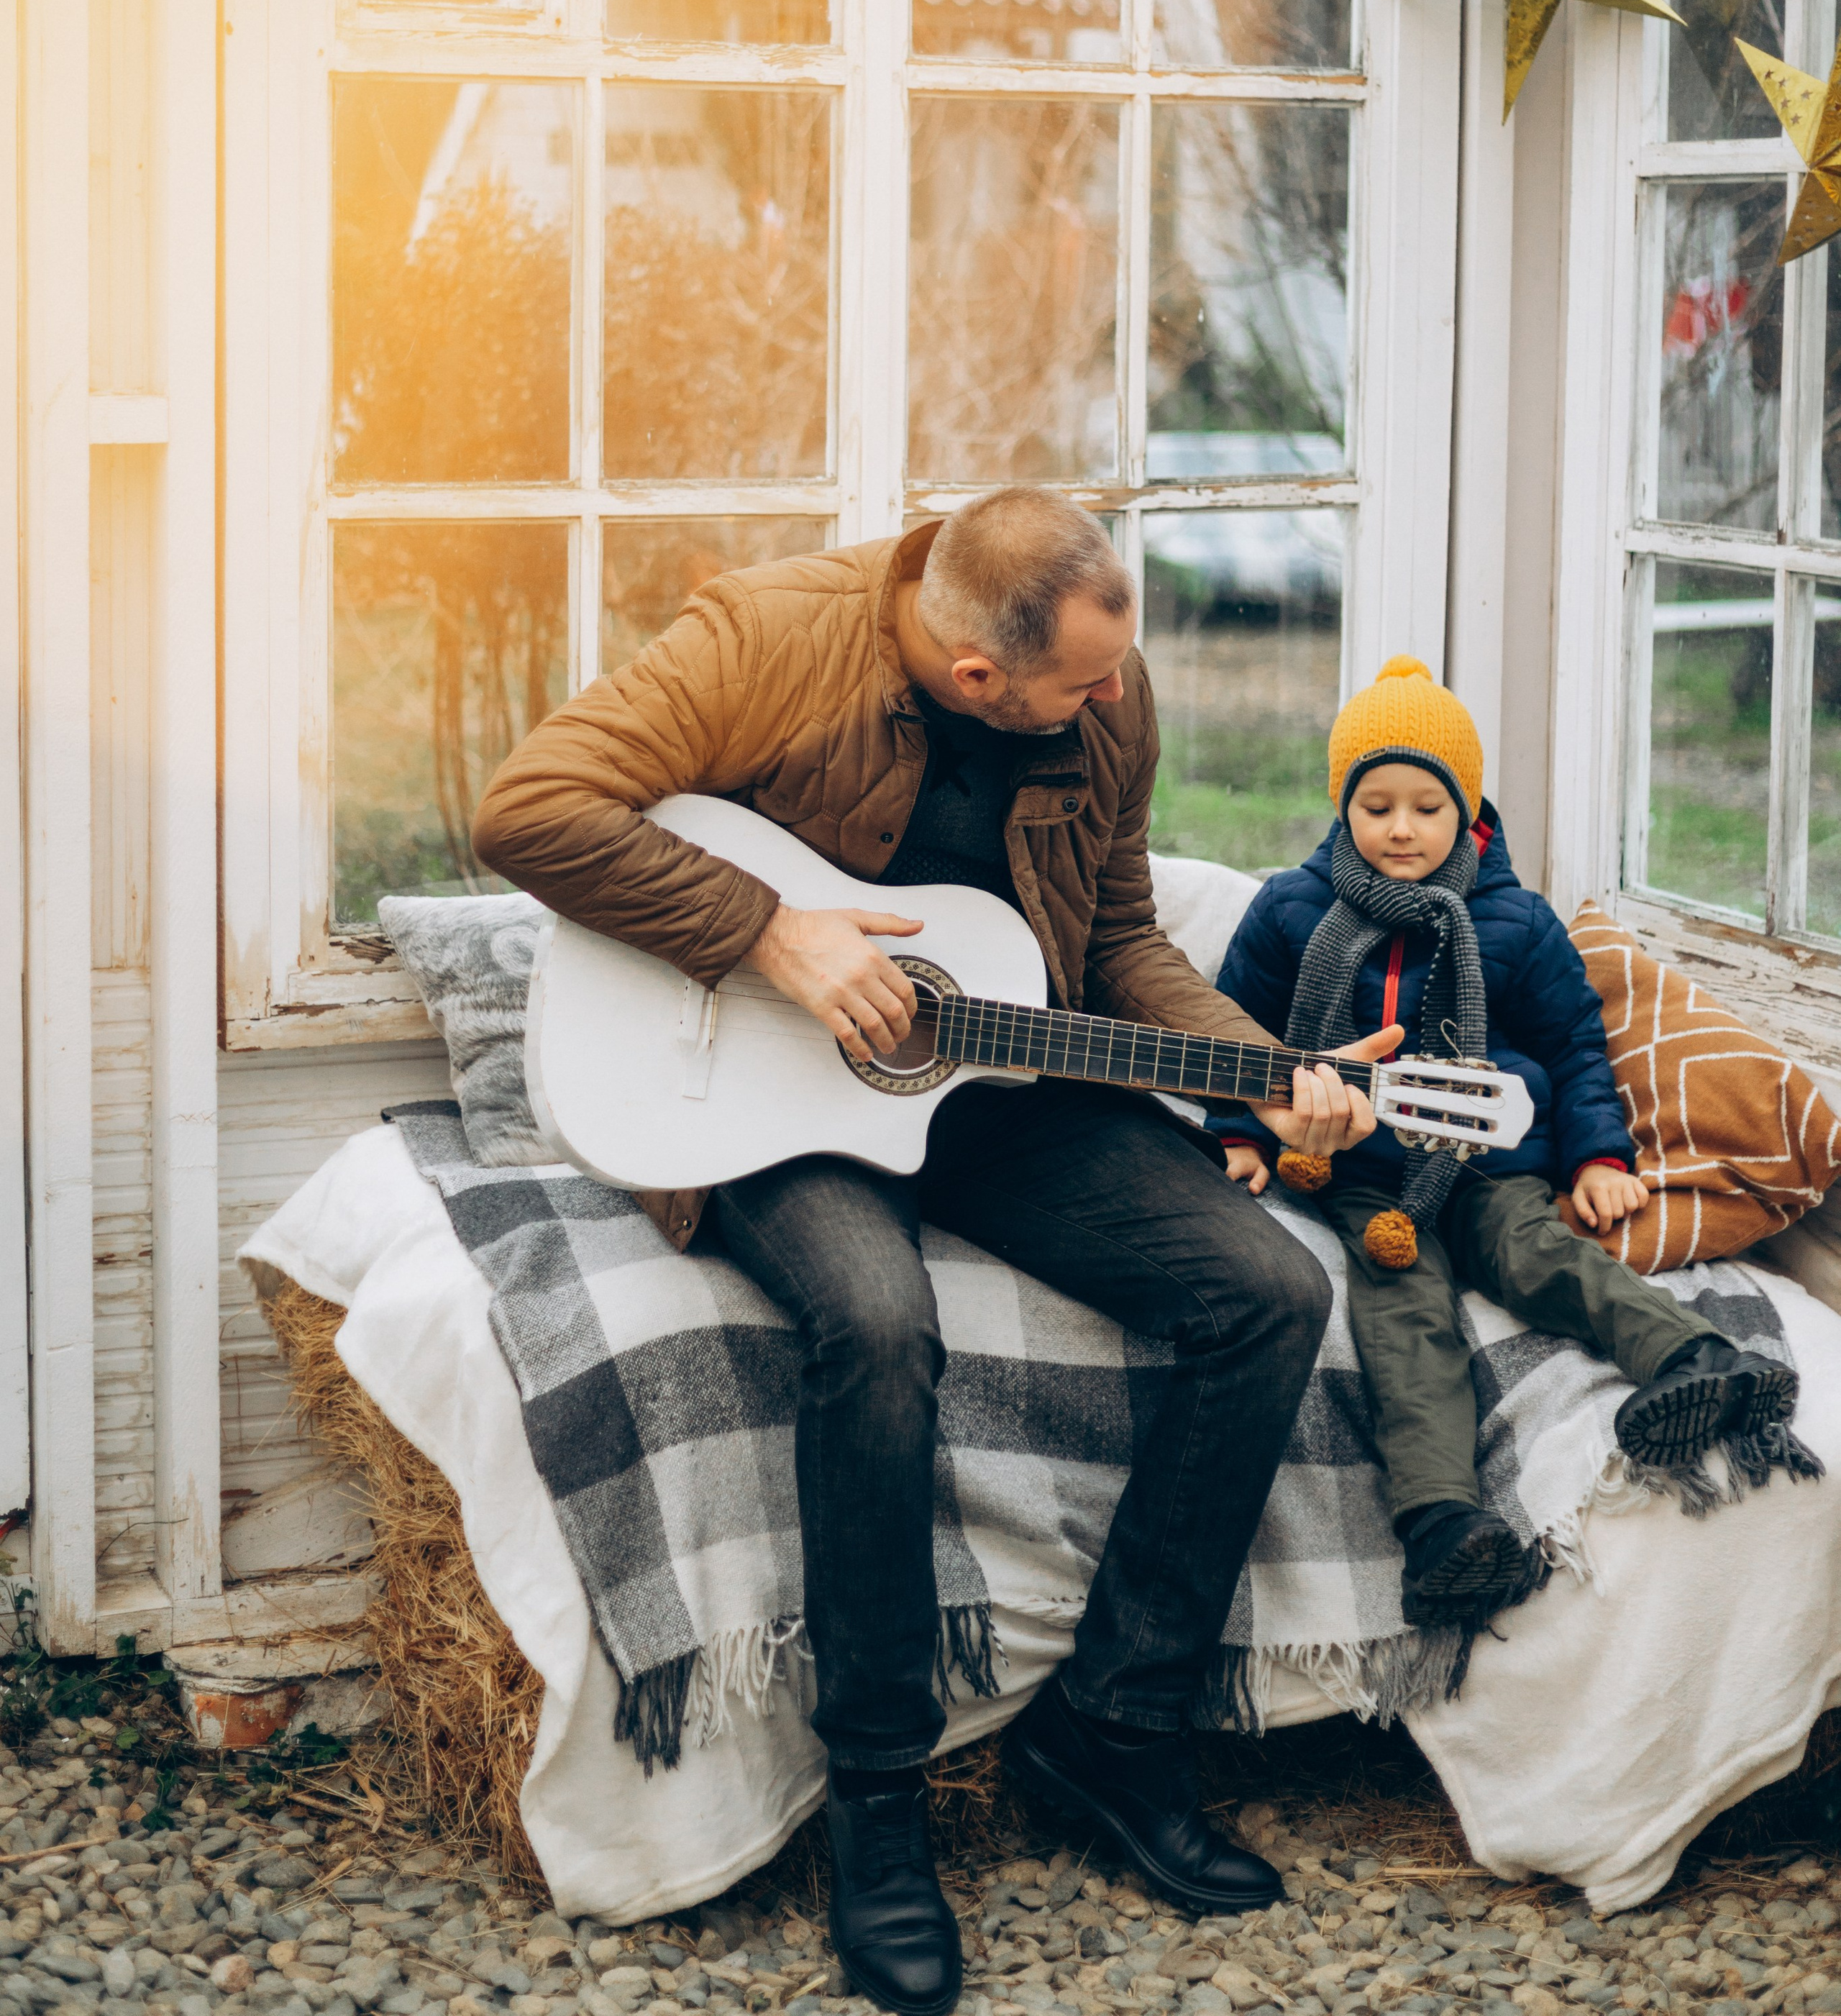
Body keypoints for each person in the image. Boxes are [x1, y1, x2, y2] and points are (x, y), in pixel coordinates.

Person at [473, 491, 1399, 2015]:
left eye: (1117, 668)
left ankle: (1112, 1726)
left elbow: (1112, 942)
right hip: (759, 1095)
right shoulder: (769, 638)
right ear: (977, 676)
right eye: (1081, 686)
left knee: (1270, 1288)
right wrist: (772, 934)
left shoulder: (1107, 678)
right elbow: (531, 810)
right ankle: (878, 1805)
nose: (1115, 698)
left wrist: (1265, 1072)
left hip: (985, 1079)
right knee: (881, 1326)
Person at [1208, 654, 1799, 1633]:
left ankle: (1700, 1361)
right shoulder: (1290, 909)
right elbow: (1235, 1029)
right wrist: (1242, 1133)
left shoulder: (1515, 921)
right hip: (1361, 1174)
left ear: (1469, 809)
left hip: (1492, 1166)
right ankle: (1445, 1525)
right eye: (1377, 805)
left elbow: (1574, 1045)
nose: (1401, 829)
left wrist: (1598, 1159)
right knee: (1402, 1314)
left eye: (1428, 807)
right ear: (1341, 806)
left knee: (1542, 1255)